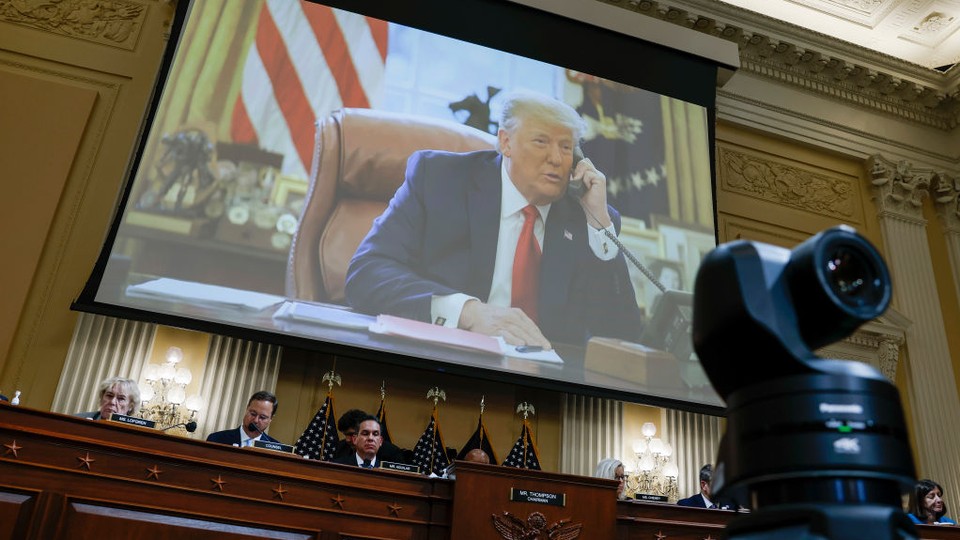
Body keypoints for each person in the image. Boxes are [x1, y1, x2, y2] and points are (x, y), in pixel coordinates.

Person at [345, 90, 643, 349]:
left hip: (540, 383)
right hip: (445, 358)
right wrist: (467, 312)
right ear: (506, 142)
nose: (556, 158)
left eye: (566, 147)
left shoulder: (585, 217)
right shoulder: (439, 181)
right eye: (541, 141)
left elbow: (622, 335)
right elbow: (367, 273)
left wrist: (599, 227)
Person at [206, 390, 282, 447]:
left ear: (271, 419)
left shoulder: (276, 448)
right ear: (246, 409)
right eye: (253, 414)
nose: (255, 420)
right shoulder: (216, 439)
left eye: (262, 417)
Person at [75, 377, 141, 420]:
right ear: (101, 398)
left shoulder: (137, 433)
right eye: (109, 395)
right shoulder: (78, 420)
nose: (112, 402)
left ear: (131, 406)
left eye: (121, 398)